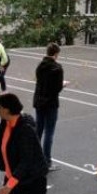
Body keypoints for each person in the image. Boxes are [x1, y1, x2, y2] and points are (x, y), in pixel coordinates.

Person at [33, 43, 67, 171]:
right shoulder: (57, 68)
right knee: (49, 132)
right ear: (56, 54)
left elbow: (40, 82)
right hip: (50, 103)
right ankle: (47, 161)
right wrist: (63, 84)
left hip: (39, 101)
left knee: (38, 130)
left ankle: (34, 158)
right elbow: (57, 88)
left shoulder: (40, 66)